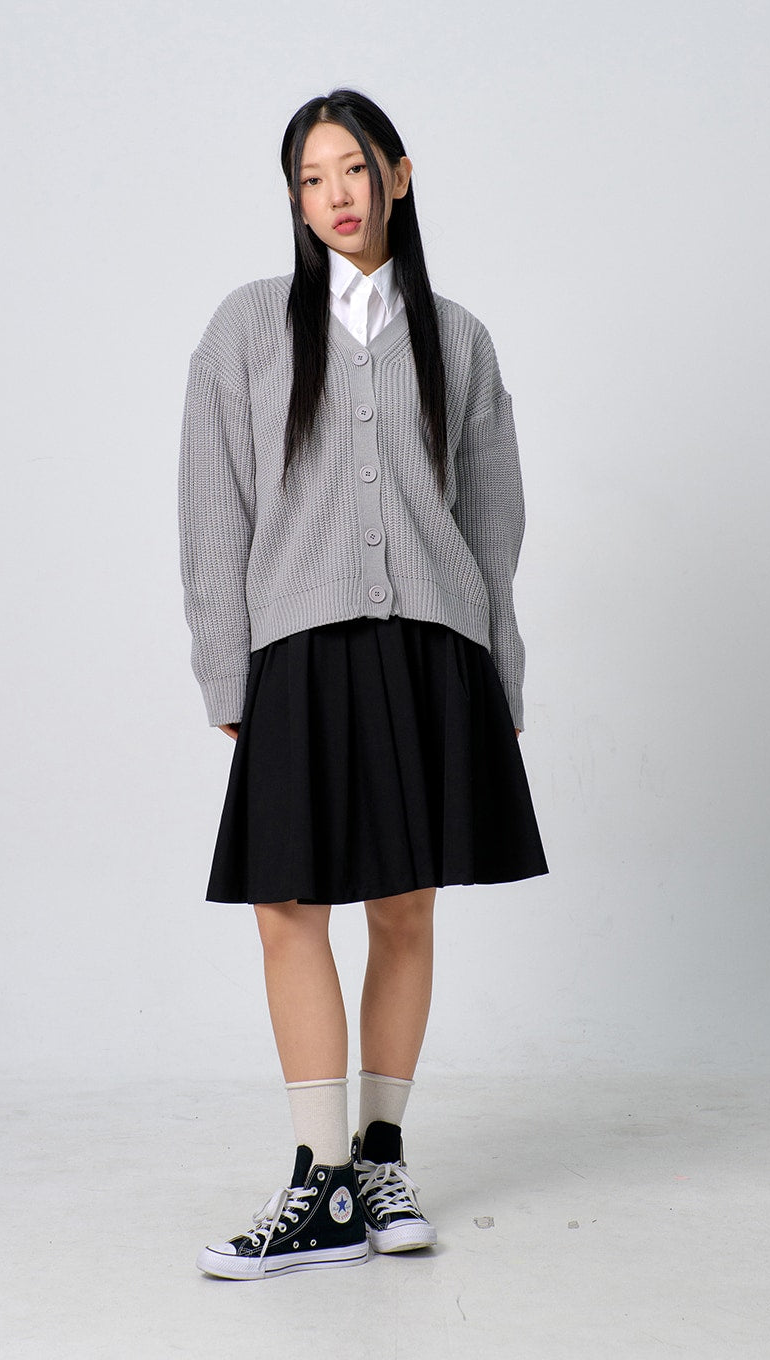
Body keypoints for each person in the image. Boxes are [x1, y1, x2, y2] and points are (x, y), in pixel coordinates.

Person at [178, 87, 549, 1281]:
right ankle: (319, 1174)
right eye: (309, 178)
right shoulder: (247, 328)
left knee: (405, 904)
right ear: (294, 199)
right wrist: (224, 663)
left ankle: (380, 1159)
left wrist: (497, 674)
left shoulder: (459, 338)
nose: (334, 194)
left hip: (430, 648)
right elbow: (213, 509)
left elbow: (492, 527)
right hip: (298, 646)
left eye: (351, 168)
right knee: (288, 908)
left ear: (397, 173)